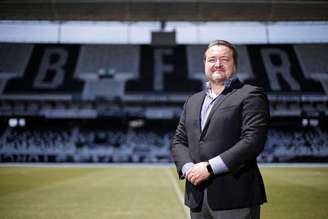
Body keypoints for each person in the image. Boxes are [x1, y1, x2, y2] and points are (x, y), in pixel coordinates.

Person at [171, 40, 270, 219]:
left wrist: (209, 168)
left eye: (224, 59)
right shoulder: (192, 100)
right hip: (197, 198)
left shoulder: (251, 94)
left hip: (235, 198)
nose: (217, 64)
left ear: (234, 64)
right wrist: (188, 169)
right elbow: (179, 141)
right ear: (205, 64)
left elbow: (252, 141)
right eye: (212, 60)